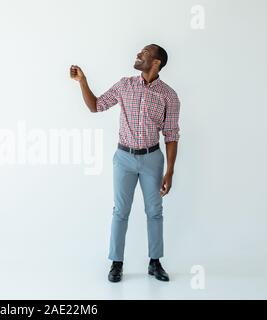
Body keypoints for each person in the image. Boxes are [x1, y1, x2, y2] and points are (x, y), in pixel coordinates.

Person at [70, 44, 180, 282]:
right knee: (120, 212)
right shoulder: (125, 85)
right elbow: (95, 106)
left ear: (156, 62)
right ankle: (116, 263)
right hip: (124, 159)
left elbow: (171, 135)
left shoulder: (168, 95)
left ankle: (155, 262)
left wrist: (170, 172)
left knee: (155, 212)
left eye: (145, 53)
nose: (138, 55)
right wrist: (83, 81)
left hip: (152, 159)